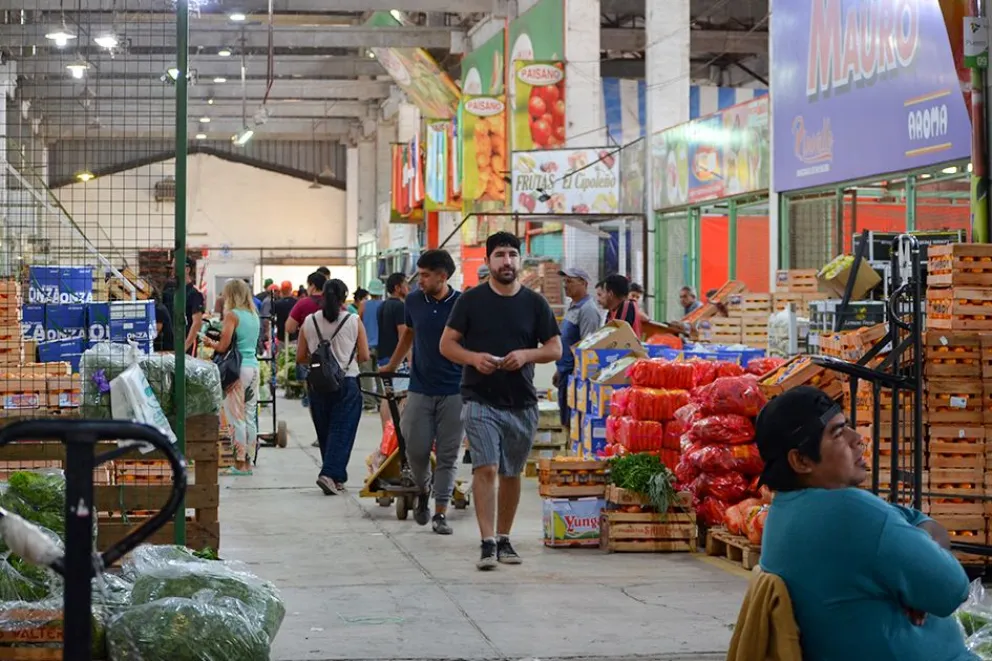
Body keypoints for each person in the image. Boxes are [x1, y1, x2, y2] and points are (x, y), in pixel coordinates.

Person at [756, 386, 972, 661]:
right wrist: (921, 561)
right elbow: (953, 589)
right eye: (837, 434)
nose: (858, 439)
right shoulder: (851, 512)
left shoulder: (787, 509)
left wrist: (920, 553)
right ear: (801, 460)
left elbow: (921, 522)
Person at [440, 232, 562, 570]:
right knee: (487, 467)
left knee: (511, 472)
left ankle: (505, 538)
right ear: (488, 261)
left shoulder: (534, 304)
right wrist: (473, 358)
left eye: (511, 254)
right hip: (480, 398)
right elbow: (447, 345)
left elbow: (555, 348)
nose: (506, 261)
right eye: (499, 255)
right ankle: (487, 542)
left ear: (519, 260)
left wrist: (526, 355)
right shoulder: (470, 301)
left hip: (522, 402)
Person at [383, 250, 464, 535]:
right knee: (415, 449)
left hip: (455, 391)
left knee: (448, 454)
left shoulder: (463, 304)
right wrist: (392, 365)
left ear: (443, 276)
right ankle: (423, 488)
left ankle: (440, 511)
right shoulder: (414, 300)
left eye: (426, 275)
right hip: (420, 388)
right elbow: (409, 334)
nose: (419, 281)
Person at [297, 279, 370, 495]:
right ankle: (329, 474)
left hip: (317, 382)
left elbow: (300, 356)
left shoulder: (309, 321)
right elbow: (365, 355)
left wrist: (321, 362)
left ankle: (335, 476)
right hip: (347, 380)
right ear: (343, 297)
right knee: (343, 429)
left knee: (325, 429)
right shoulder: (353, 320)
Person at [203, 279, 261, 476]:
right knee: (250, 416)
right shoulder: (254, 315)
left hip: (237, 370)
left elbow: (223, 346)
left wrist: (209, 342)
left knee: (236, 417)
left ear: (231, 295)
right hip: (253, 368)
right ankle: (249, 462)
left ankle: (238, 463)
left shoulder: (232, 315)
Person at [552, 268, 601, 427]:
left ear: (584, 283)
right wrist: (559, 369)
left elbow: (588, 348)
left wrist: (577, 376)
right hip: (565, 371)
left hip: (574, 376)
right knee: (566, 421)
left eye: (570, 281)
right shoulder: (573, 306)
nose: (566, 285)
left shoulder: (588, 310)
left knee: (572, 424)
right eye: (565, 281)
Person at [376, 273, 411, 427]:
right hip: (397, 359)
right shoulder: (400, 306)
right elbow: (404, 336)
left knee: (387, 395)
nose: (408, 288)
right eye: (406, 284)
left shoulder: (382, 306)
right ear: (398, 287)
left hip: (383, 356)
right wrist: (410, 359)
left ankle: (386, 433)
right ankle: (396, 432)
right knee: (405, 395)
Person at [361, 280, 385, 411]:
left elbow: (357, 324)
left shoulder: (363, 306)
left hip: (366, 346)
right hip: (381, 346)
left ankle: (369, 402)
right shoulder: (384, 305)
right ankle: (382, 401)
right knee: (380, 375)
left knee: (366, 375)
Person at [183, 259, 205, 356]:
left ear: (187, 269)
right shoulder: (173, 291)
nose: (172, 269)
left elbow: (197, 322)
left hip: (187, 341)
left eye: (176, 266)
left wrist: (186, 345)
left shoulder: (194, 293)